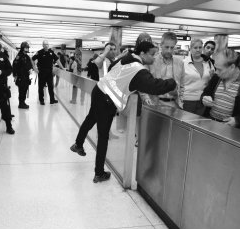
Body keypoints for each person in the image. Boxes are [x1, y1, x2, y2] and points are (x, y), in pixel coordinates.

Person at [70, 41, 176, 183]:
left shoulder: (128, 58)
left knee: (90, 119)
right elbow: (154, 86)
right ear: (142, 54)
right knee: (103, 136)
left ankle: (78, 144)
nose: (154, 57)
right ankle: (99, 173)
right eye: (152, 54)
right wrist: (172, 82)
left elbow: (114, 67)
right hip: (107, 101)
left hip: (99, 90)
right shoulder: (139, 70)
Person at [201, 48, 240, 130]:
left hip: (232, 130)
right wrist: (204, 98)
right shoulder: (216, 78)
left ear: (232, 67)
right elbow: (206, 93)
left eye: (219, 69)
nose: (216, 72)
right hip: (211, 123)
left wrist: (238, 120)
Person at [146, 32, 185, 108]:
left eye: (172, 47)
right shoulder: (151, 61)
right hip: (155, 104)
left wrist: (181, 101)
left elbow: (182, 85)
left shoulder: (180, 63)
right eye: (166, 47)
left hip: (174, 104)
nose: (169, 51)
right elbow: (144, 84)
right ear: (161, 45)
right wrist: (147, 100)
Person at [181, 38, 215, 116]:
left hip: (203, 101)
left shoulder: (208, 63)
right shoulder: (183, 63)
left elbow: (212, 80)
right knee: (186, 124)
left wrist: (212, 77)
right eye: (195, 48)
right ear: (190, 49)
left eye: (200, 47)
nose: (198, 50)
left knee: (198, 123)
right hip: (187, 100)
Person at [31, 40, 65, 105]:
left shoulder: (51, 52)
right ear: (42, 45)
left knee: (50, 87)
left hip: (49, 73)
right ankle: (41, 100)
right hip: (42, 73)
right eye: (45, 44)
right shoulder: (39, 52)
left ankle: (52, 100)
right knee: (41, 87)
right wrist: (35, 68)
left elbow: (57, 60)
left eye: (47, 44)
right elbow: (32, 59)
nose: (46, 46)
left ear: (48, 45)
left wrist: (62, 67)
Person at [13, 41, 32, 109]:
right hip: (20, 76)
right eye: (26, 48)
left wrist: (30, 69)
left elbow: (30, 65)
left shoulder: (26, 56)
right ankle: (21, 104)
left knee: (25, 90)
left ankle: (23, 102)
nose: (27, 49)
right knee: (21, 90)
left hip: (26, 76)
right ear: (22, 48)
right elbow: (14, 65)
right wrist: (15, 75)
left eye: (27, 48)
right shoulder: (19, 56)